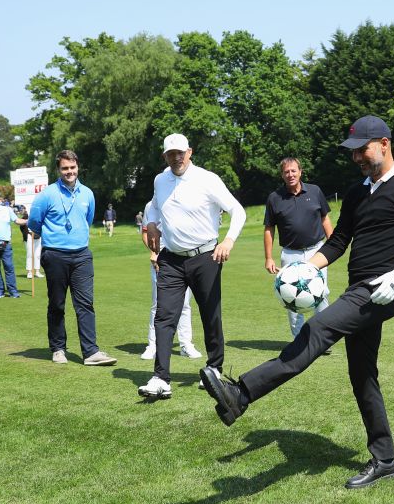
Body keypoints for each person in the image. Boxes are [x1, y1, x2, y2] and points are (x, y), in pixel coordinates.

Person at [199, 115, 394, 489]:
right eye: (353, 152)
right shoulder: (358, 191)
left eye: (363, 149)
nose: (358, 158)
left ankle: (242, 393)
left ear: (384, 143)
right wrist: (306, 270)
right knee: (361, 375)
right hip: (359, 289)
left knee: (318, 327)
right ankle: (386, 459)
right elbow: (338, 241)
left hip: (385, 290)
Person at [140, 133, 246, 399]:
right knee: (164, 316)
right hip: (171, 258)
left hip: (206, 256)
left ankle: (214, 367)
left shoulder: (207, 179)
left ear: (190, 152)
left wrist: (228, 241)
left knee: (210, 314)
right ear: (164, 156)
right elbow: (153, 207)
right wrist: (151, 224)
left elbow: (238, 211)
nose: (176, 158)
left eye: (180, 152)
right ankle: (161, 378)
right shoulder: (160, 179)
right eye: (170, 154)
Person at [28, 150, 117, 366]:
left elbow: (88, 219)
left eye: (72, 167)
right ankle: (58, 348)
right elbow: (34, 222)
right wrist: (53, 237)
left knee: (85, 304)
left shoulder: (87, 193)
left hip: (82, 255)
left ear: (78, 167)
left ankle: (90, 352)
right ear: (58, 170)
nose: (69, 172)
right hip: (55, 255)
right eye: (65, 168)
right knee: (57, 304)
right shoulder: (47, 194)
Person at [263, 157, 333, 338]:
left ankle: (322, 338)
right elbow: (269, 229)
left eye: (293, 171)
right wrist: (269, 257)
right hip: (290, 254)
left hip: (316, 251)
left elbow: (325, 219)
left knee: (321, 293)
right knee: (290, 297)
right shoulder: (274, 198)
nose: (290, 175)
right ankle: (299, 341)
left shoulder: (315, 191)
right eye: (286, 172)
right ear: (282, 175)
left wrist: (333, 244)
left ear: (300, 172)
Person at [140, 199, 202, 361]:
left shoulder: (183, 201)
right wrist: (154, 251)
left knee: (185, 304)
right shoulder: (151, 206)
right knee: (158, 303)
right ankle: (153, 345)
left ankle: (185, 344)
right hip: (161, 261)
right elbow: (145, 232)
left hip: (183, 259)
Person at [14, 204, 44, 279]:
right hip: (29, 236)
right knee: (30, 254)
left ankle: (37, 271)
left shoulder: (40, 216)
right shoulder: (26, 216)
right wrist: (25, 234)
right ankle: (29, 272)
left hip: (38, 236)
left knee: (37, 255)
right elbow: (22, 226)